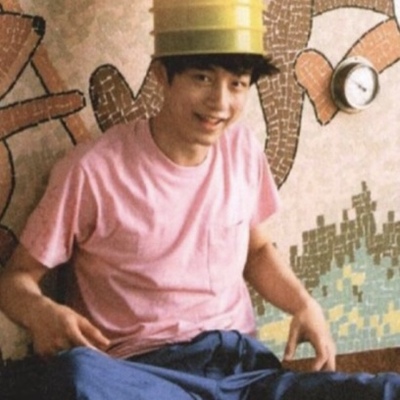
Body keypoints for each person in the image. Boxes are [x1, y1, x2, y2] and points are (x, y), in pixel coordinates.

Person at [0, 1, 400, 399]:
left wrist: (303, 304)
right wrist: (41, 313)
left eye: (237, 83)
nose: (220, 102)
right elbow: (16, 280)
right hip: (144, 375)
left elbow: (257, 250)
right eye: (202, 78)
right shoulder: (91, 171)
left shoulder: (242, 150)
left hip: (244, 373)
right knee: (77, 375)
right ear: (162, 75)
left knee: (385, 390)